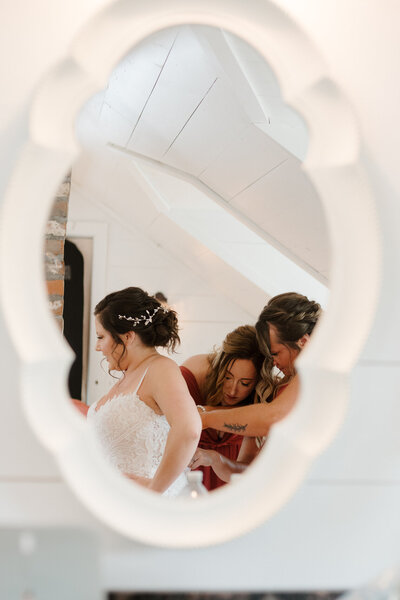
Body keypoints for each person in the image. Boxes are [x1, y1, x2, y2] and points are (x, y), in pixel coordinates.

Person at [86, 287, 201, 496]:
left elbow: (189, 430)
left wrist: (154, 489)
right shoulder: (129, 376)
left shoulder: (160, 369)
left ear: (128, 337)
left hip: (144, 502)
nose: (97, 347)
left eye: (101, 337)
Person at [200, 292, 322, 438]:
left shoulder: (318, 370)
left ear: (302, 342)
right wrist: (218, 460)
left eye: (276, 353)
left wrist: (206, 418)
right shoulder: (289, 382)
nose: (274, 363)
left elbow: (272, 419)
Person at [180, 325, 264, 490]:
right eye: (227, 377)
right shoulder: (194, 374)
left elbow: (247, 471)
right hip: (185, 481)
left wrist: (215, 459)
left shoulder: (261, 399)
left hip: (230, 484)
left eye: (245, 383)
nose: (233, 390)